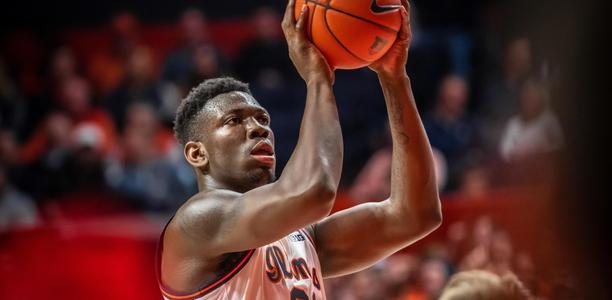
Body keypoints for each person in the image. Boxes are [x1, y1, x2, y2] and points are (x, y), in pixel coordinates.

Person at [158, 0, 441, 298]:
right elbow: (314, 191)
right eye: (234, 120)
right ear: (197, 153)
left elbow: (416, 215)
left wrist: (394, 78)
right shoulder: (197, 221)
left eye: (262, 118)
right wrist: (318, 78)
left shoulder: (303, 238)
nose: (258, 127)